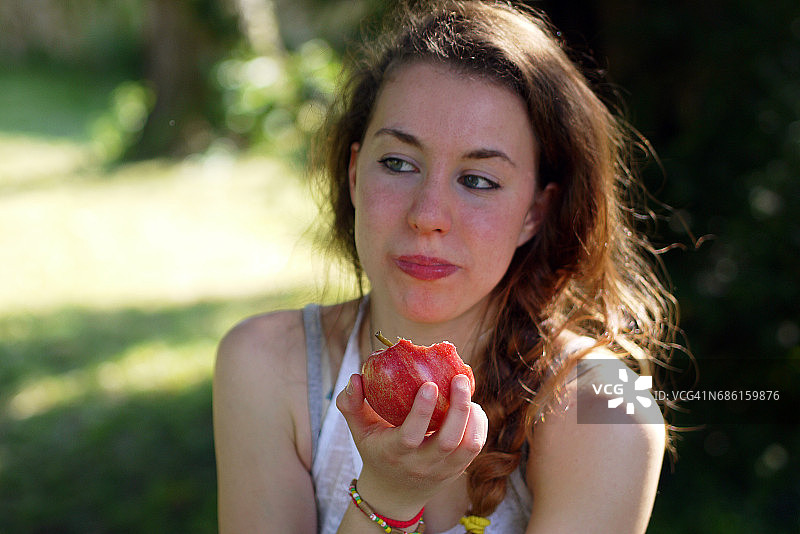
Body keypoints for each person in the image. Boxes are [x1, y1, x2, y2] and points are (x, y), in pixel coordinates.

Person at [213, 1, 678, 533]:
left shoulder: (611, 411)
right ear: (354, 175)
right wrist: (386, 498)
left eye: (478, 180)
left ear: (534, 212)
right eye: (398, 164)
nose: (427, 216)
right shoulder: (266, 366)